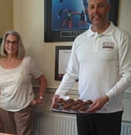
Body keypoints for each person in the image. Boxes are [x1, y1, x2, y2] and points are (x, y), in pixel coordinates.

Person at [51, 0, 131, 135]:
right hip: (83, 110)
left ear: (108, 7)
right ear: (87, 10)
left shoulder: (121, 37)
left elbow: (128, 74)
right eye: (92, 7)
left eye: (100, 5)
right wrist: (59, 93)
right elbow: (71, 72)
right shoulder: (80, 40)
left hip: (109, 112)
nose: (96, 11)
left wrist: (106, 98)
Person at [0, 30, 47, 135]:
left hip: (23, 110)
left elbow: (43, 80)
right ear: (4, 44)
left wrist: (40, 98)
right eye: (8, 42)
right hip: (4, 109)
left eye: (14, 42)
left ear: (18, 44)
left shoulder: (27, 61)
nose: (10, 45)